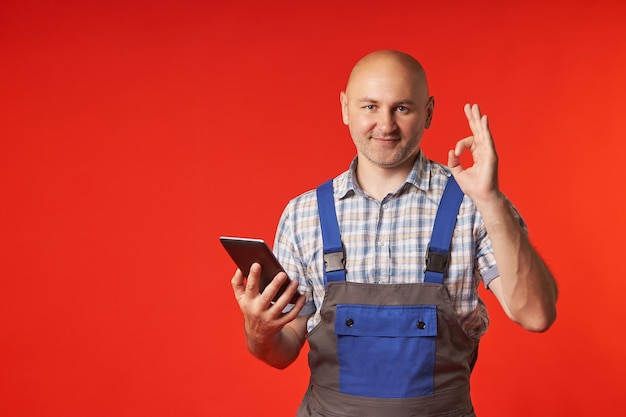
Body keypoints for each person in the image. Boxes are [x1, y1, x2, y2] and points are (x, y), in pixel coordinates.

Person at [231, 49, 558, 417]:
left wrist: (491, 199)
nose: (385, 125)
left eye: (402, 108)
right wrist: (259, 331)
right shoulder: (302, 215)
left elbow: (535, 315)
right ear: (344, 108)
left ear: (429, 112)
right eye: (369, 106)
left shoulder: (473, 204)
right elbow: (283, 350)